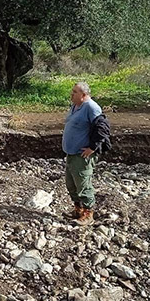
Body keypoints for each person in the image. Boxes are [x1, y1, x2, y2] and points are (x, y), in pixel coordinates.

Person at [62, 82, 103, 224]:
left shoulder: (92, 108)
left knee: (83, 184)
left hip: (82, 155)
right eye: (72, 91)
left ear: (84, 95)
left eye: (75, 92)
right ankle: (78, 210)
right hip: (71, 153)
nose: (71, 94)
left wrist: (92, 148)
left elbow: (102, 129)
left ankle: (88, 214)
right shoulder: (75, 105)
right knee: (71, 183)